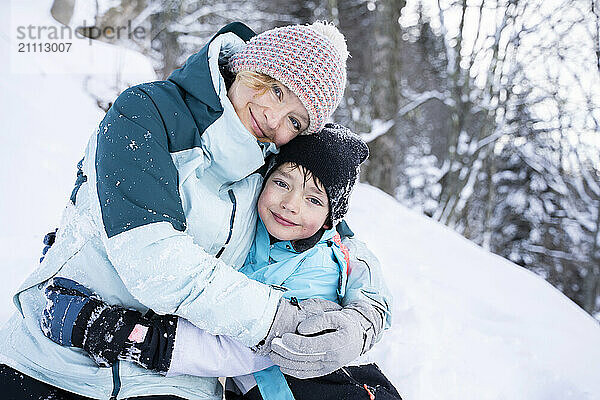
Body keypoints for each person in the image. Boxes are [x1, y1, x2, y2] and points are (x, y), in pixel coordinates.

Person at [0, 21, 391, 400]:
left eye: (295, 119)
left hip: (173, 383)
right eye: (275, 90)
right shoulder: (146, 114)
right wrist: (282, 321)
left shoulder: (273, 163)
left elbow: (334, 236)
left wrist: (362, 320)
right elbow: (154, 261)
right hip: (54, 356)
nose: (274, 118)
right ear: (249, 66)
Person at [41, 124, 401, 400]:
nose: (291, 204)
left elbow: (250, 349)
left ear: (329, 220)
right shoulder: (246, 229)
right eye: (282, 183)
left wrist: (134, 337)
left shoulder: (319, 269)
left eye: (314, 200)